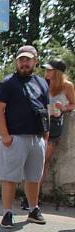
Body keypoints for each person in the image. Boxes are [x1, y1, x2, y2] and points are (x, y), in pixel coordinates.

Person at [0, 45, 49, 228]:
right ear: (17, 62)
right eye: (21, 59)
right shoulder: (8, 83)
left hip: (36, 136)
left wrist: (45, 135)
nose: (24, 63)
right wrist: (5, 135)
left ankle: (33, 209)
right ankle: (7, 212)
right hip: (15, 136)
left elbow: (44, 110)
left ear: (35, 61)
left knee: (34, 177)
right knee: (10, 177)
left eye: (28, 59)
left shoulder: (41, 83)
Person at [39, 59, 74, 196]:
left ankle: (36, 195)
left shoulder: (67, 86)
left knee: (43, 161)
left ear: (57, 72)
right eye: (46, 69)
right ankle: (31, 195)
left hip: (54, 124)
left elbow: (73, 104)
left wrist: (63, 108)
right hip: (39, 122)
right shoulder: (42, 83)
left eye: (49, 70)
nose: (46, 72)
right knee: (34, 160)